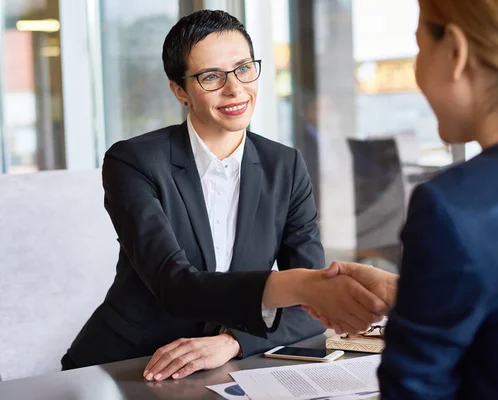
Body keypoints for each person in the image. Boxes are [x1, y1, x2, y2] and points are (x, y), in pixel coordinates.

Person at [61, 9, 388, 382]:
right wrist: (304, 286)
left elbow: (307, 307)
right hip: (128, 365)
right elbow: (174, 284)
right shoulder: (133, 161)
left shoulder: (285, 165)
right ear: (180, 91)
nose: (235, 89)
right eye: (211, 77)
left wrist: (234, 341)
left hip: (227, 368)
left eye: (244, 69)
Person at [314, 0, 498, 398]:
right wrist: (412, 293)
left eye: (419, 47)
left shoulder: (452, 207)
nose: (416, 71)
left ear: (455, 51)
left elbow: (412, 392)